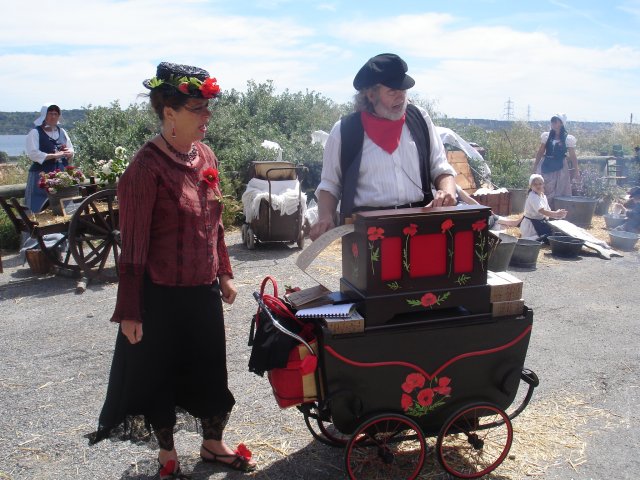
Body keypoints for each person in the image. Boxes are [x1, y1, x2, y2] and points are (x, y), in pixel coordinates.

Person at [89, 62, 256, 478]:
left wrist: (223, 272)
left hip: (201, 291)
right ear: (169, 113)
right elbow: (132, 249)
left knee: (208, 370)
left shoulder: (206, 156)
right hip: (158, 295)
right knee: (160, 375)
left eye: (207, 107)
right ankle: (167, 455)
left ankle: (213, 445)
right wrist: (130, 310)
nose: (207, 116)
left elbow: (214, 220)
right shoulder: (144, 169)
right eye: (198, 108)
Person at [310, 53, 457, 240]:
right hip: (366, 232)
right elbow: (330, 185)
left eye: (403, 91)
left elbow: (440, 168)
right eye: (392, 92)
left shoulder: (420, 119)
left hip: (420, 228)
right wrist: (325, 217)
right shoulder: (344, 131)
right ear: (371, 95)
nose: (401, 97)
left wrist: (447, 193)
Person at [24, 104, 75, 212]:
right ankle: (36, 227)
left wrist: (69, 153)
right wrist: (54, 156)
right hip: (41, 175)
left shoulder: (62, 132)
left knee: (62, 203)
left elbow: (71, 149)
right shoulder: (35, 133)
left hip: (61, 174)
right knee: (39, 205)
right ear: (44, 115)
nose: (53, 116)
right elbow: (33, 154)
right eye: (50, 113)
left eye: (56, 114)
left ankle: (64, 227)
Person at [532, 113, 579, 209]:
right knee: (544, 186)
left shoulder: (567, 139)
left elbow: (573, 156)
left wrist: (576, 170)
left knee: (559, 189)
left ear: (561, 123)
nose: (553, 123)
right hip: (546, 164)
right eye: (552, 121)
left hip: (560, 167)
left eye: (555, 121)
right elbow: (540, 151)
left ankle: (556, 212)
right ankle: (543, 211)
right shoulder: (547, 136)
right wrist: (535, 165)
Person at [520, 174, 567, 241]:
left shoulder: (543, 196)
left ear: (543, 185)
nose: (538, 186)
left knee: (555, 236)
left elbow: (547, 212)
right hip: (532, 225)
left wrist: (558, 215)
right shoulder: (533, 196)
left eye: (540, 184)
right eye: (535, 184)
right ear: (531, 186)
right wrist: (556, 213)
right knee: (543, 239)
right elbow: (542, 211)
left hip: (540, 223)